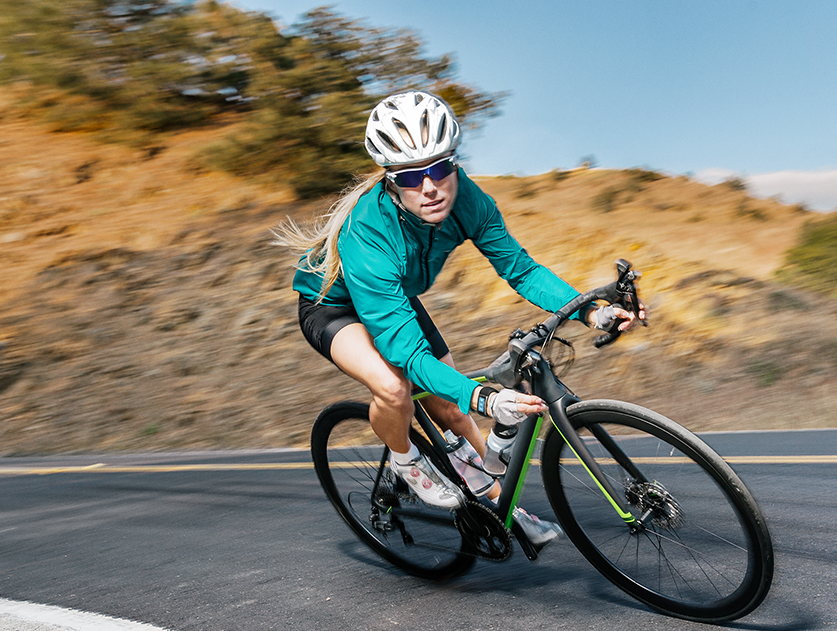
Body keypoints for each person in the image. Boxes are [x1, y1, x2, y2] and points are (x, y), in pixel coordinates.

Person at [275, 90, 644, 547]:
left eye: (439, 168)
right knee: (394, 387)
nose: (430, 187)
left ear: (454, 162)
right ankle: (405, 461)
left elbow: (521, 269)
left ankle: (500, 506)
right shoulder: (365, 231)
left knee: (449, 405)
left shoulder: (468, 199)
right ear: (391, 180)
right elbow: (408, 354)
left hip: (392, 296)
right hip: (333, 305)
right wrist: (485, 399)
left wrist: (591, 310)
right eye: (412, 176)